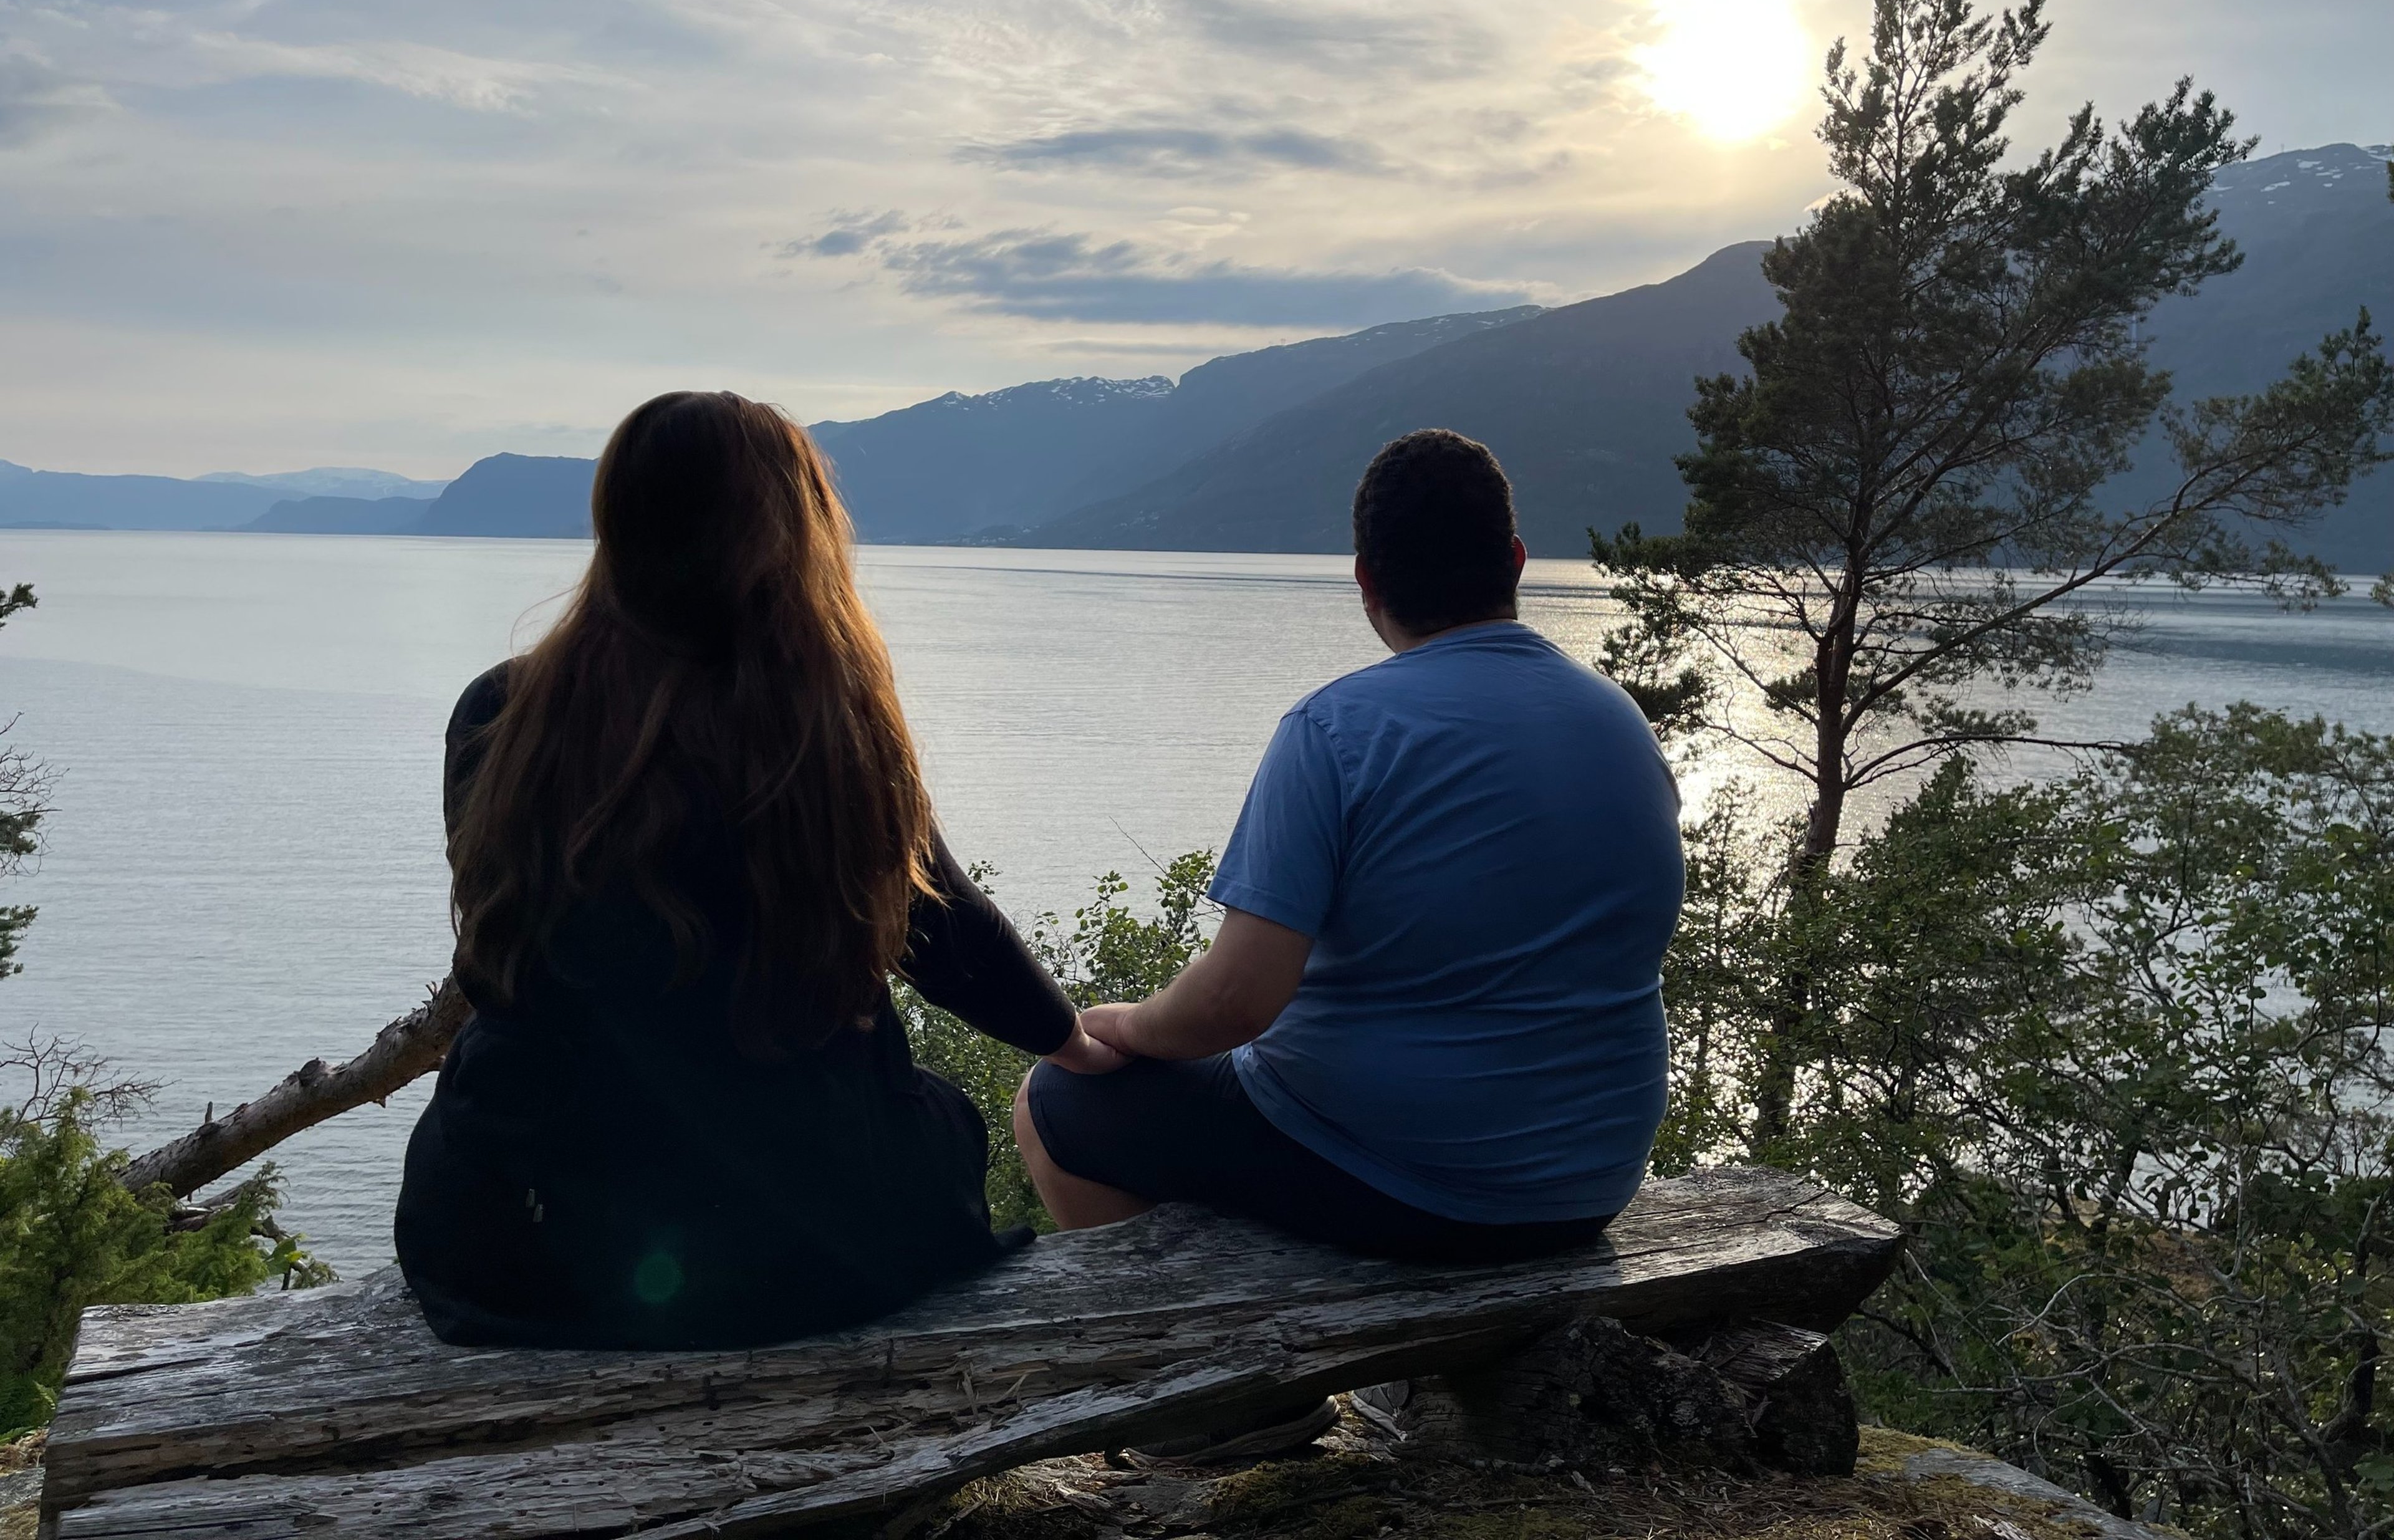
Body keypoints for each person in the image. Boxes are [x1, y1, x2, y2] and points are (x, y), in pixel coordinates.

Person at [395, 391, 1120, 1348]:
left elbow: (507, 942)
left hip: (519, 1239)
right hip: (798, 1246)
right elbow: (943, 930)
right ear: (795, 530)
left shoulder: (502, 716)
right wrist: (1078, 1045)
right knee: (945, 1121)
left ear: (615, 519)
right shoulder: (826, 730)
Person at [1016, 428, 1683, 1264]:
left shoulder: (1335, 729)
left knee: (1056, 1101)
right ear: (1514, 561)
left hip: (1405, 1183)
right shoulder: (1619, 720)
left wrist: (1123, 1025)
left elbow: (1235, 1004)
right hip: (1588, 1184)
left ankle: (1194, 1334)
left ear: (1366, 578)